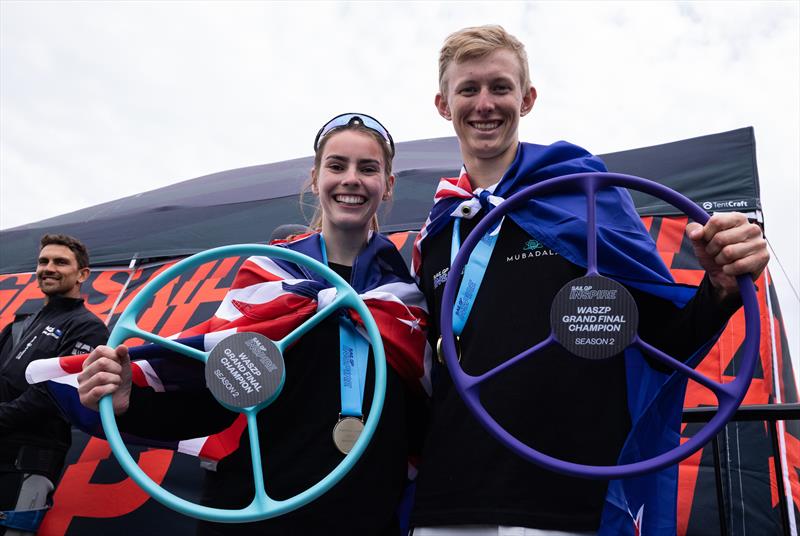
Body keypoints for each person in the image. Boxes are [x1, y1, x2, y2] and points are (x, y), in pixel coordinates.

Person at [409, 26, 769, 536]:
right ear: (444, 104)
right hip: (449, 504)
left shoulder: (586, 195)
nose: (484, 104)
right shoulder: (438, 231)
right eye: (468, 89)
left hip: (567, 503)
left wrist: (722, 287)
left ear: (527, 99)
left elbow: (665, 337)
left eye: (500, 87)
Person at [76, 113, 430, 535]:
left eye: (367, 168)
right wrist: (130, 401)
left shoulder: (406, 299)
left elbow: (419, 424)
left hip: (363, 519)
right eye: (337, 166)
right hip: (257, 513)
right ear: (316, 178)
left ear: (387, 184)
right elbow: (214, 398)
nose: (351, 179)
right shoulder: (267, 277)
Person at [0, 234, 108, 535]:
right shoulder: (19, 324)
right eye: (43, 261)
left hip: (30, 461)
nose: (48, 268)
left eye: (60, 262)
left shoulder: (88, 327)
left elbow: (54, 393)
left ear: (82, 274)